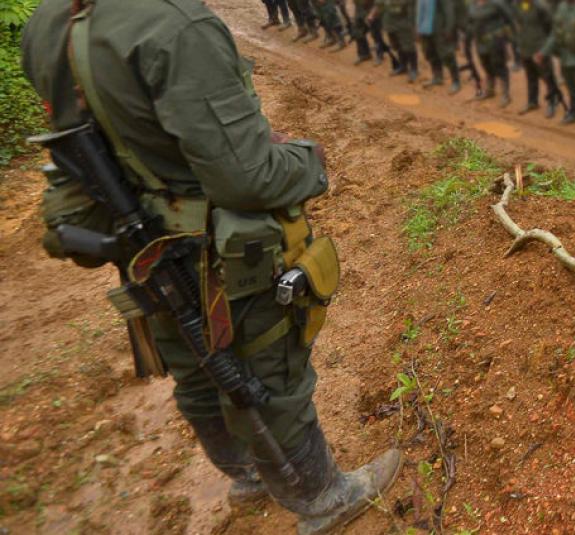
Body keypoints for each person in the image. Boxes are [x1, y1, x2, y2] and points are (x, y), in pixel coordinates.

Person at [21, 1, 401, 533]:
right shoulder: (175, 25)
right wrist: (309, 162)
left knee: (194, 365)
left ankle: (246, 474)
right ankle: (321, 497)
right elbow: (246, 177)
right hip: (214, 249)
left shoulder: (48, 23)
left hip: (143, 252)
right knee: (268, 369)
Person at [468, 0, 517, 105]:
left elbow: (510, 20)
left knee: (499, 65)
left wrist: (510, 38)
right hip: (479, 41)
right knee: (485, 64)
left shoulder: (496, 4)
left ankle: (505, 94)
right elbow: (470, 20)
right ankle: (490, 90)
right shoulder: (473, 4)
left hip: (495, 40)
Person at [514, 0, 558, 116]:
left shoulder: (541, 6)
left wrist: (544, 48)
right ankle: (532, 102)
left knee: (547, 76)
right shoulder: (520, 4)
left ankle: (552, 102)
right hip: (525, 47)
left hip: (539, 48)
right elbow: (520, 24)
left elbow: (550, 27)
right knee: (531, 76)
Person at [418, 0, 462, 92]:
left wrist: (448, 29)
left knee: (447, 55)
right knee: (431, 54)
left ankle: (456, 81)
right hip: (425, 30)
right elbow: (420, 11)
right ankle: (437, 77)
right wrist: (418, 28)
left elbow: (449, 13)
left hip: (440, 30)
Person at [374, 0, 420, 80]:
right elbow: (380, 6)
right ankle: (403, 66)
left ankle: (414, 69)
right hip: (389, 24)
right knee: (397, 46)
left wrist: (414, 27)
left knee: (408, 46)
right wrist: (373, 15)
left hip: (403, 25)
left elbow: (413, 12)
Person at [351, 0, 392, 65]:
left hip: (372, 10)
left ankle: (380, 55)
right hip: (359, 11)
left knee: (376, 34)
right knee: (357, 32)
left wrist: (372, 14)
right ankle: (364, 54)